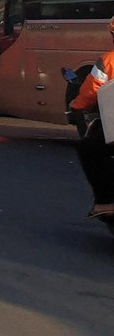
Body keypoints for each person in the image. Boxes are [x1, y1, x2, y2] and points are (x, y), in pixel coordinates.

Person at [70, 17, 114, 219]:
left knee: (89, 150)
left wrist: (76, 106)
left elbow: (90, 93)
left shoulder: (108, 61)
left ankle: (105, 202)